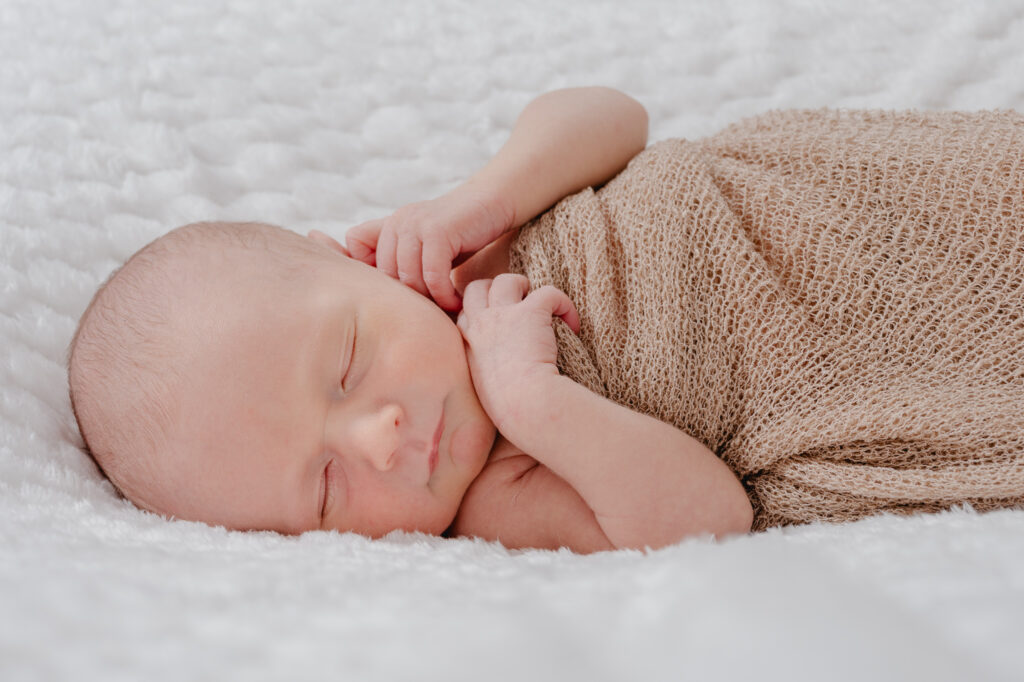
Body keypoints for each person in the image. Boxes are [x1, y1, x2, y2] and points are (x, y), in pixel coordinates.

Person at [69, 87, 1024, 554]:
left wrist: (489, 198)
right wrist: (532, 400)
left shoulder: (449, 255)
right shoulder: (496, 493)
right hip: (851, 353)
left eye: (349, 364)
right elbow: (707, 518)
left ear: (342, 261)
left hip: (827, 201)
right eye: (326, 489)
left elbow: (613, 119)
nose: (381, 436)